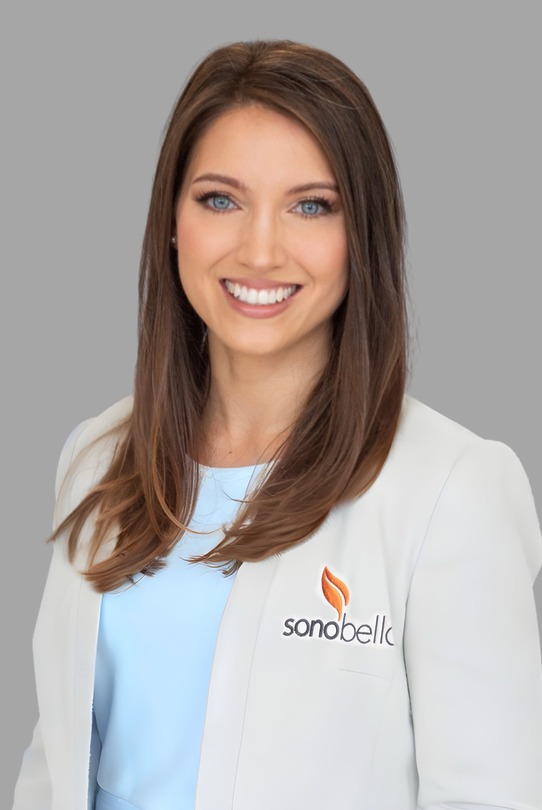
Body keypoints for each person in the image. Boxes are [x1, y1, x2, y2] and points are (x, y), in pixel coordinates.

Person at [12, 39, 542, 810]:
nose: (260, 251)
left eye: (311, 206)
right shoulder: (97, 459)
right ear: (171, 220)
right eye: (220, 200)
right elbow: (54, 761)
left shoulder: (453, 490)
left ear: (363, 236)